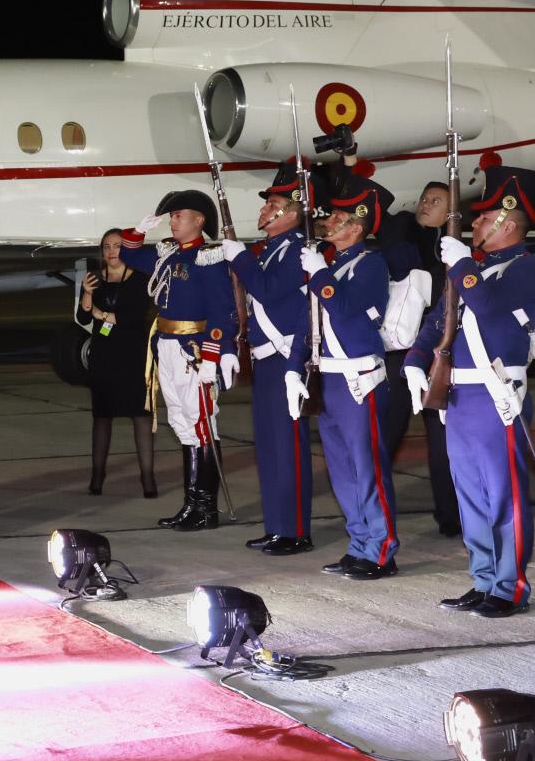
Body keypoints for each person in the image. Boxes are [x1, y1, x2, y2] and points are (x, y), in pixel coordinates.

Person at [406, 154, 535, 619]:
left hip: (497, 394)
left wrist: (465, 266)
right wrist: (413, 360)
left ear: (507, 221)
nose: (476, 222)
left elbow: (486, 307)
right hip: (459, 395)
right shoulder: (476, 266)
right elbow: (438, 322)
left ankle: (509, 586)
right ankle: (483, 578)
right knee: (469, 493)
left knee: (502, 494)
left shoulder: (525, 267)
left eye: (484, 215)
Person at [118, 190, 237, 530]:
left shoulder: (208, 258)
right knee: (183, 424)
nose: (172, 221)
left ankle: (206, 507)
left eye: (178, 215)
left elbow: (222, 311)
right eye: (171, 217)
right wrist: (137, 233)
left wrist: (214, 353)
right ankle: (191, 504)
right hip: (168, 346)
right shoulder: (168, 253)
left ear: (199, 220)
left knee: (201, 425)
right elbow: (132, 255)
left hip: (193, 351)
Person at [307, 170, 401, 580]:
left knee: (367, 467)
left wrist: (320, 276)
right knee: (342, 468)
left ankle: (381, 549)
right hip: (330, 376)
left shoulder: (370, 265)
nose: (328, 223)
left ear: (356, 226)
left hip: (358, 379)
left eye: (338, 218)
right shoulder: (337, 264)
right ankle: (359, 542)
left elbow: (348, 314)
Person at [225, 161, 321, 556]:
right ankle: (277, 526)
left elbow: (267, 291)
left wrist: (241, 259)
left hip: (286, 358)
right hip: (266, 358)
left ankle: (296, 529)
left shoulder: (298, 250)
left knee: (288, 446)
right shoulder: (269, 251)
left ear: (293, 213)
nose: (264, 211)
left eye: (273, 205)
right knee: (267, 446)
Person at [74, 229, 156, 497]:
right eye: (107, 246)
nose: (111, 252)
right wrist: (86, 295)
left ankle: (147, 477)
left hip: (133, 355)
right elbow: (84, 318)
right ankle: (97, 476)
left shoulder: (141, 279)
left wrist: (102, 314)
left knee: (140, 416)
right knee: (102, 416)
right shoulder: (95, 280)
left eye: (117, 246)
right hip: (104, 356)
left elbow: (134, 317)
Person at [407, 180, 461, 535]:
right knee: (437, 443)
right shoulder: (405, 238)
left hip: (443, 356)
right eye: (424, 198)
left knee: (447, 442)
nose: (426, 204)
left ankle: (455, 515)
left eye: (436, 201)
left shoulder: (458, 252)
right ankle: (449, 513)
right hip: (412, 352)